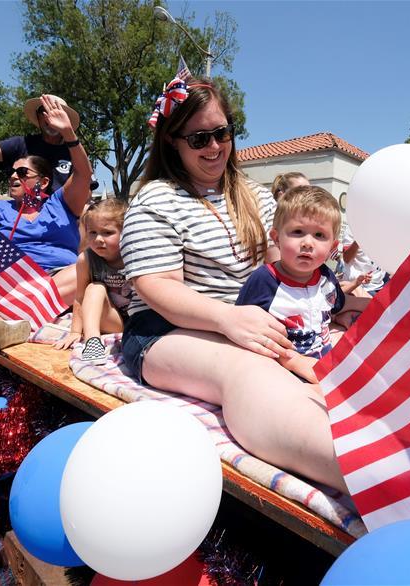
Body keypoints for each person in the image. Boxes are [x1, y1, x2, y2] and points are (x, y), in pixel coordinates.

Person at [119, 77, 348, 492]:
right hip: (162, 330)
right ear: (172, 141)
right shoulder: (154, 200)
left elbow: (284, 274)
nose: (214, 147)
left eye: (222, 133)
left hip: (248, 323)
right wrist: (228, 319)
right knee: (249, 368)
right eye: (199, 138)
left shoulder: (256, 197)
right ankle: (367, 473)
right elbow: (156, 287)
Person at [0, 95, 94, 352]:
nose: (13, 176)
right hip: (10, 278)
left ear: (43, 182)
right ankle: (25, 319)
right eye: (11, 172)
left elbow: (84, 174)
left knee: (82, 268)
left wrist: (69, 133)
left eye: (22, 173)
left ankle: (2, 319)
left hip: (54, 278)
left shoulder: (61, 202)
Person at [236, 185, 368, 383]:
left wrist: (382, 304)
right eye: (298, 232)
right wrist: (291, 360)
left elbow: (342, 303)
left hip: (324, 365)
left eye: (319, 235)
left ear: (332, 247)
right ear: (276, 238)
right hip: (278, 373)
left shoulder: (326, 277)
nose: (308, 243)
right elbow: (244, 330)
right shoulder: (264, 281)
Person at [0, 75, 98, 193]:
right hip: (22, 210)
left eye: (56, 112)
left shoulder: (75, 151)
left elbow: (86, 181)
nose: (50, 117)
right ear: (38, 117)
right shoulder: (22, 144)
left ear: (65, 118)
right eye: (45, 112)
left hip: (62, 213)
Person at [53, 198, 132, 364]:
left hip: (138, 321)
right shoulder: (86, 259)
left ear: (126, 232)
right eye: (93, 232)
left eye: (107, 232)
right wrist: (75, 331)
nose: (98, 239)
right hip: (112, 320)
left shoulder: (133, 256)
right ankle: (92, 342)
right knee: (94, 288)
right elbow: (80, 297)